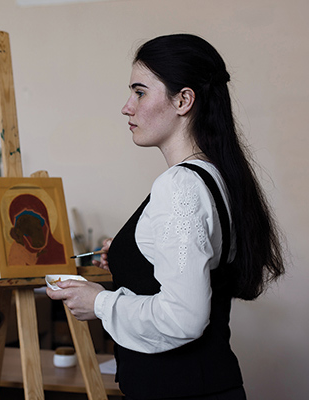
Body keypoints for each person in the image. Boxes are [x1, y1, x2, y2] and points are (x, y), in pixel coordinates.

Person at [47, 34, 284, 400]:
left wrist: (98, 302)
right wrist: (133, 256)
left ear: (183, 100)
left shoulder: (181, 186)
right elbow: (194, 265)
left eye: (139, 92)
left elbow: (183, 317)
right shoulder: (215, 174)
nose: (127, 107)